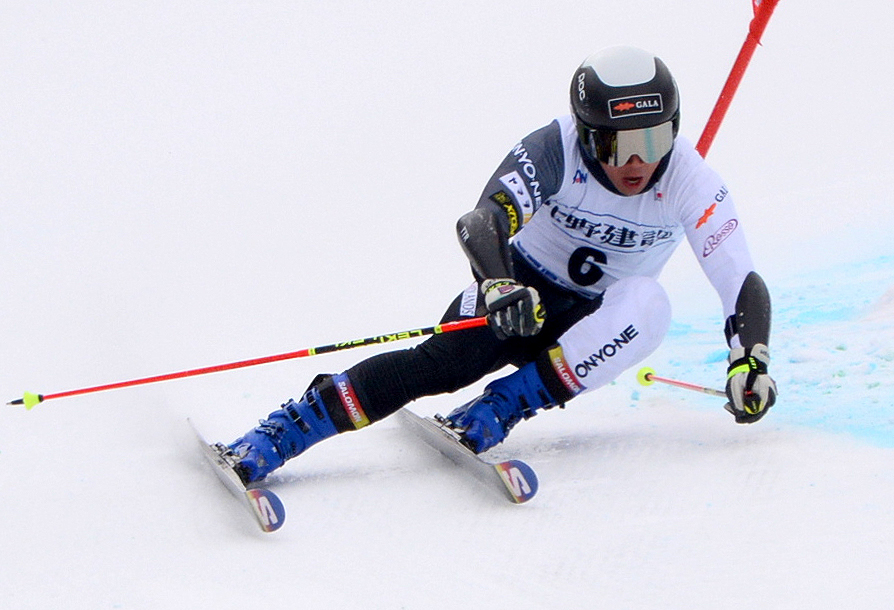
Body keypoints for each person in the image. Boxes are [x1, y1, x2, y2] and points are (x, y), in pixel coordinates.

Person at [217, 45, 778, 485]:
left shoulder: (690, 180)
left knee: (650, 306)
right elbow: (481, 221)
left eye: (653, 140)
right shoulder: (554, 149)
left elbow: (740, 280)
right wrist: (499, 284)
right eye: (614, 146)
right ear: (586, 134)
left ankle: (501, 408)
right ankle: (287, 430)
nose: (636, 163)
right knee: (438, 366)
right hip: (519, 294)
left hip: (590, 325)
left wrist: (748, 359)